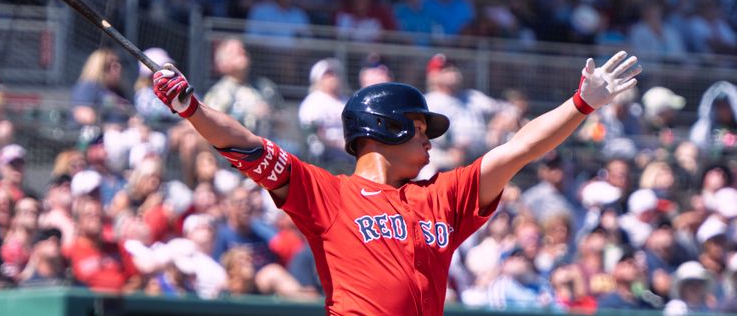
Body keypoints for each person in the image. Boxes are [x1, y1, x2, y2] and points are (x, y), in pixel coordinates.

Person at [151, 50, 640, 314]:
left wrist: (581, 104)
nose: (429, 143)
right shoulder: (328, 195)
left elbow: (520, 149)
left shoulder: (442, 197)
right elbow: (247, 146)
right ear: (386, 127)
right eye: (421, 128)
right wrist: (189, 105)